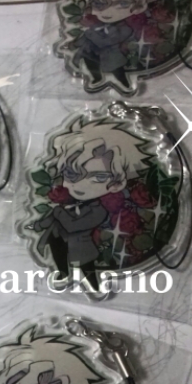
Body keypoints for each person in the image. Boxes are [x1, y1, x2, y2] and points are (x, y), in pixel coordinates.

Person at [30, 118, 150, 289]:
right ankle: (63, 274)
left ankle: (94, 287)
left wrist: (58, 212)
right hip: (58, 243)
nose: (81, 184)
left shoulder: (99, 210)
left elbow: (73, 225)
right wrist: (37, 225)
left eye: (99, 177)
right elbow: (51, 220)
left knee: (90, 277)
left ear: (117, 184)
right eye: (72, 174)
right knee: (61, 263)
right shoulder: (69, 200)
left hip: (83, 251)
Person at [72, 0, 151, 89]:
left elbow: (105, 42)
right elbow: (85, 38)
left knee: (118, 74)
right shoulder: (96, 24)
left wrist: (92, 29)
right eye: (99, 4)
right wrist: (74, 45)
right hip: (93, 53)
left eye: (123, 3)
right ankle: (97, 78)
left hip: (112, 58)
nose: (108, 11)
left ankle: (125, 85)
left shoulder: (125, 28)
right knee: (89, 61)